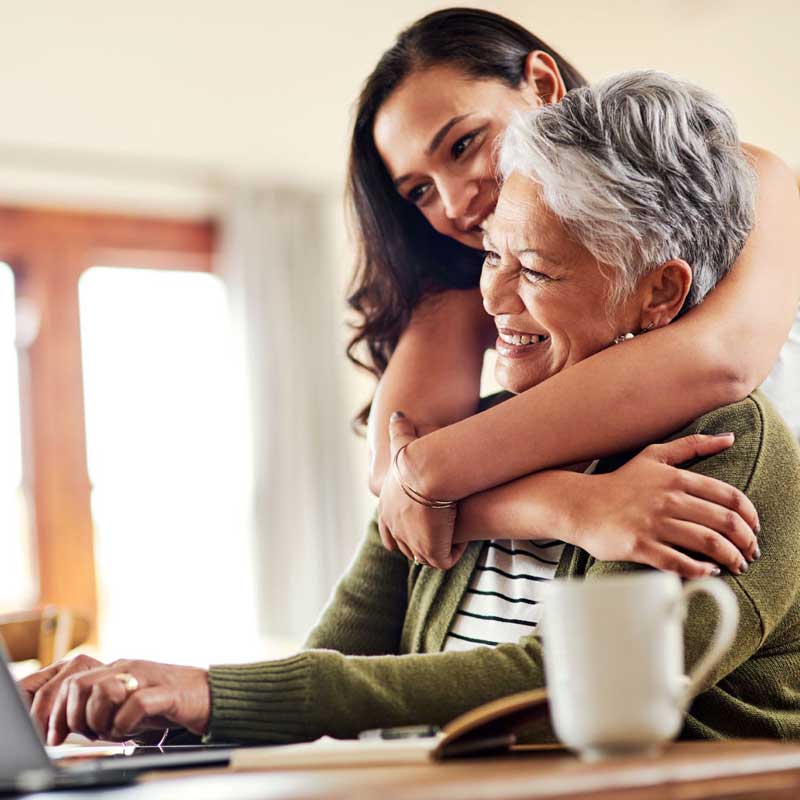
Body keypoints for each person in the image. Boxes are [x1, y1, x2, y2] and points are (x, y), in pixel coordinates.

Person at [20, 70, 800, 747]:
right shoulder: (479, 436)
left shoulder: (724, 448)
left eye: (533, 270)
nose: (491, 298)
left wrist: (212, 694)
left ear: (659, 292)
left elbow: (562, 689)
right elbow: (341, 654)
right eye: (490, 254)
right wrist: (158, 699)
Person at [350, 8, 800, 572]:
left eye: (463, 145)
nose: (456, 203)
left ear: (540, 84)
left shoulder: (746, 178)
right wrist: (569, 506)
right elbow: (394, 476)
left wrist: (432, 473)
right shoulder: (465, 285)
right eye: (420, 191)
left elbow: (721, 360)